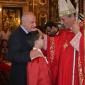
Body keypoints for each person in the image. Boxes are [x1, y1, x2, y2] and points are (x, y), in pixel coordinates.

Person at [56, 0, 84, 85]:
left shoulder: (82, 30)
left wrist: (78, 34)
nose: (61, 22)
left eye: (63, 19)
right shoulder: (64, 33)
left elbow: (83, 50)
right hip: (65, 72)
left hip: (76, 74)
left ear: (71, 17)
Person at [6, 12, 37, 85]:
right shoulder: (15, 35)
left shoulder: (30, 32)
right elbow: (11, 56)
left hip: (28, 73)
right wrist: (29, 55)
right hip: (20, 76)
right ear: (24, 22)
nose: (35, 25)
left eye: (35, 22)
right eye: (32, 22)